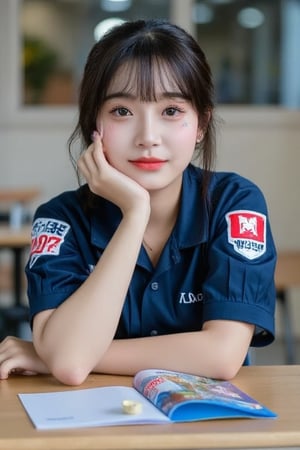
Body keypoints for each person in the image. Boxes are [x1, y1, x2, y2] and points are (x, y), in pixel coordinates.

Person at [0, 19, 276, 386]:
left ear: (201, 125)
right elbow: (69, 363)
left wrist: (52, 353)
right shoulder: (60, 218)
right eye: (122, 111)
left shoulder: (234, 203)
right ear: (93, 124)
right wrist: (135, 213)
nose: (148, 137)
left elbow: (223, 356)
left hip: (208, 429)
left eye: (172, 111)